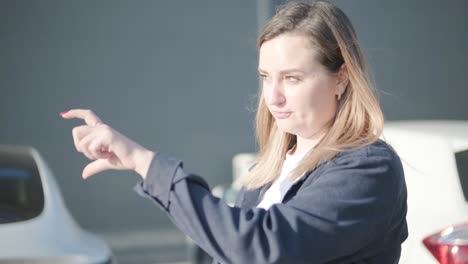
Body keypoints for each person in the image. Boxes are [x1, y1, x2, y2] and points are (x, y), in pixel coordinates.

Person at [61, 1, 408, 263]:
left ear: (341, 78)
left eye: (292, 78)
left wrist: (145, 163)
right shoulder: (269, 171)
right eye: (265, 77)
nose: (273, 97)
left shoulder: (368, 167)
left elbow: (262, 245)